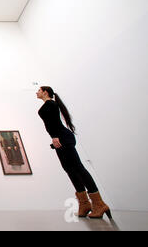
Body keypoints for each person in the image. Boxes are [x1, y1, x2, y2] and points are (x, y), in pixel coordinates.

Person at [37, 86, 112, 219]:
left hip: (62, 138)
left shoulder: (51, 105)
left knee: (78, 168)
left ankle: (99, 203)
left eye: (39, 90)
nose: (37, 92)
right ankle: (84, 204)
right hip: (61, 138)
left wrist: (54, 136)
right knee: (69, 170)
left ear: (45, 92)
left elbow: (52, 122)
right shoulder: (49, 105)